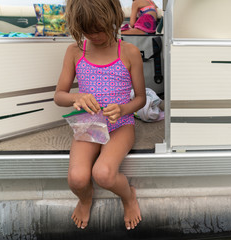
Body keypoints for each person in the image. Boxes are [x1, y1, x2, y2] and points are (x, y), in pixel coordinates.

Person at [54, 0, 146, 231]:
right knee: (76, 179)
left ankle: (128, 197)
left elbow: (141, 99)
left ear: (114, 18)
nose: (94, 36)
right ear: (78, 27)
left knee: (103, 174)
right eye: (87, 31)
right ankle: (85, 198)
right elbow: (59, 95)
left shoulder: (129, 52)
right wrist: (76, 97)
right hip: (89, 124)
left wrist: (123, 109)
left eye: (100, 29)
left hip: (121, 125)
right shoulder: (75, 51)